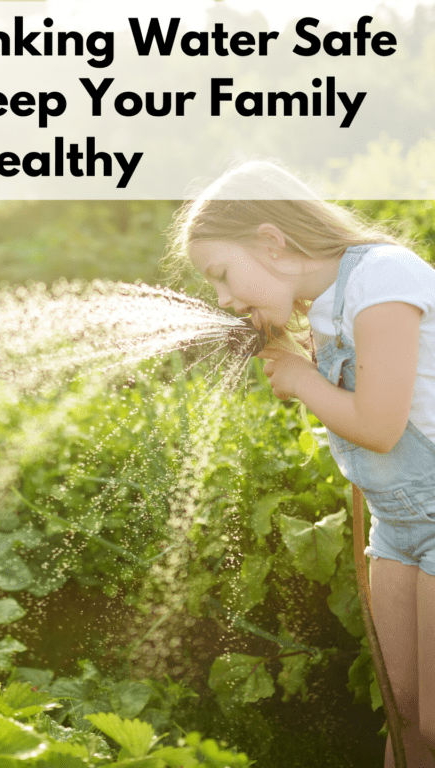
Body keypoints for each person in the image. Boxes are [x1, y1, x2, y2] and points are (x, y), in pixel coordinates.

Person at [168, 159, 435, 768]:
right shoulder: (321, 306)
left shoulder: (383, 279)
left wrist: (301, 378)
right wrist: (298, 364)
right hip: (400, 528)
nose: (223, 298)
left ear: (271, 241)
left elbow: (381, 425)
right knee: (404, 711)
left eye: (221, 275)